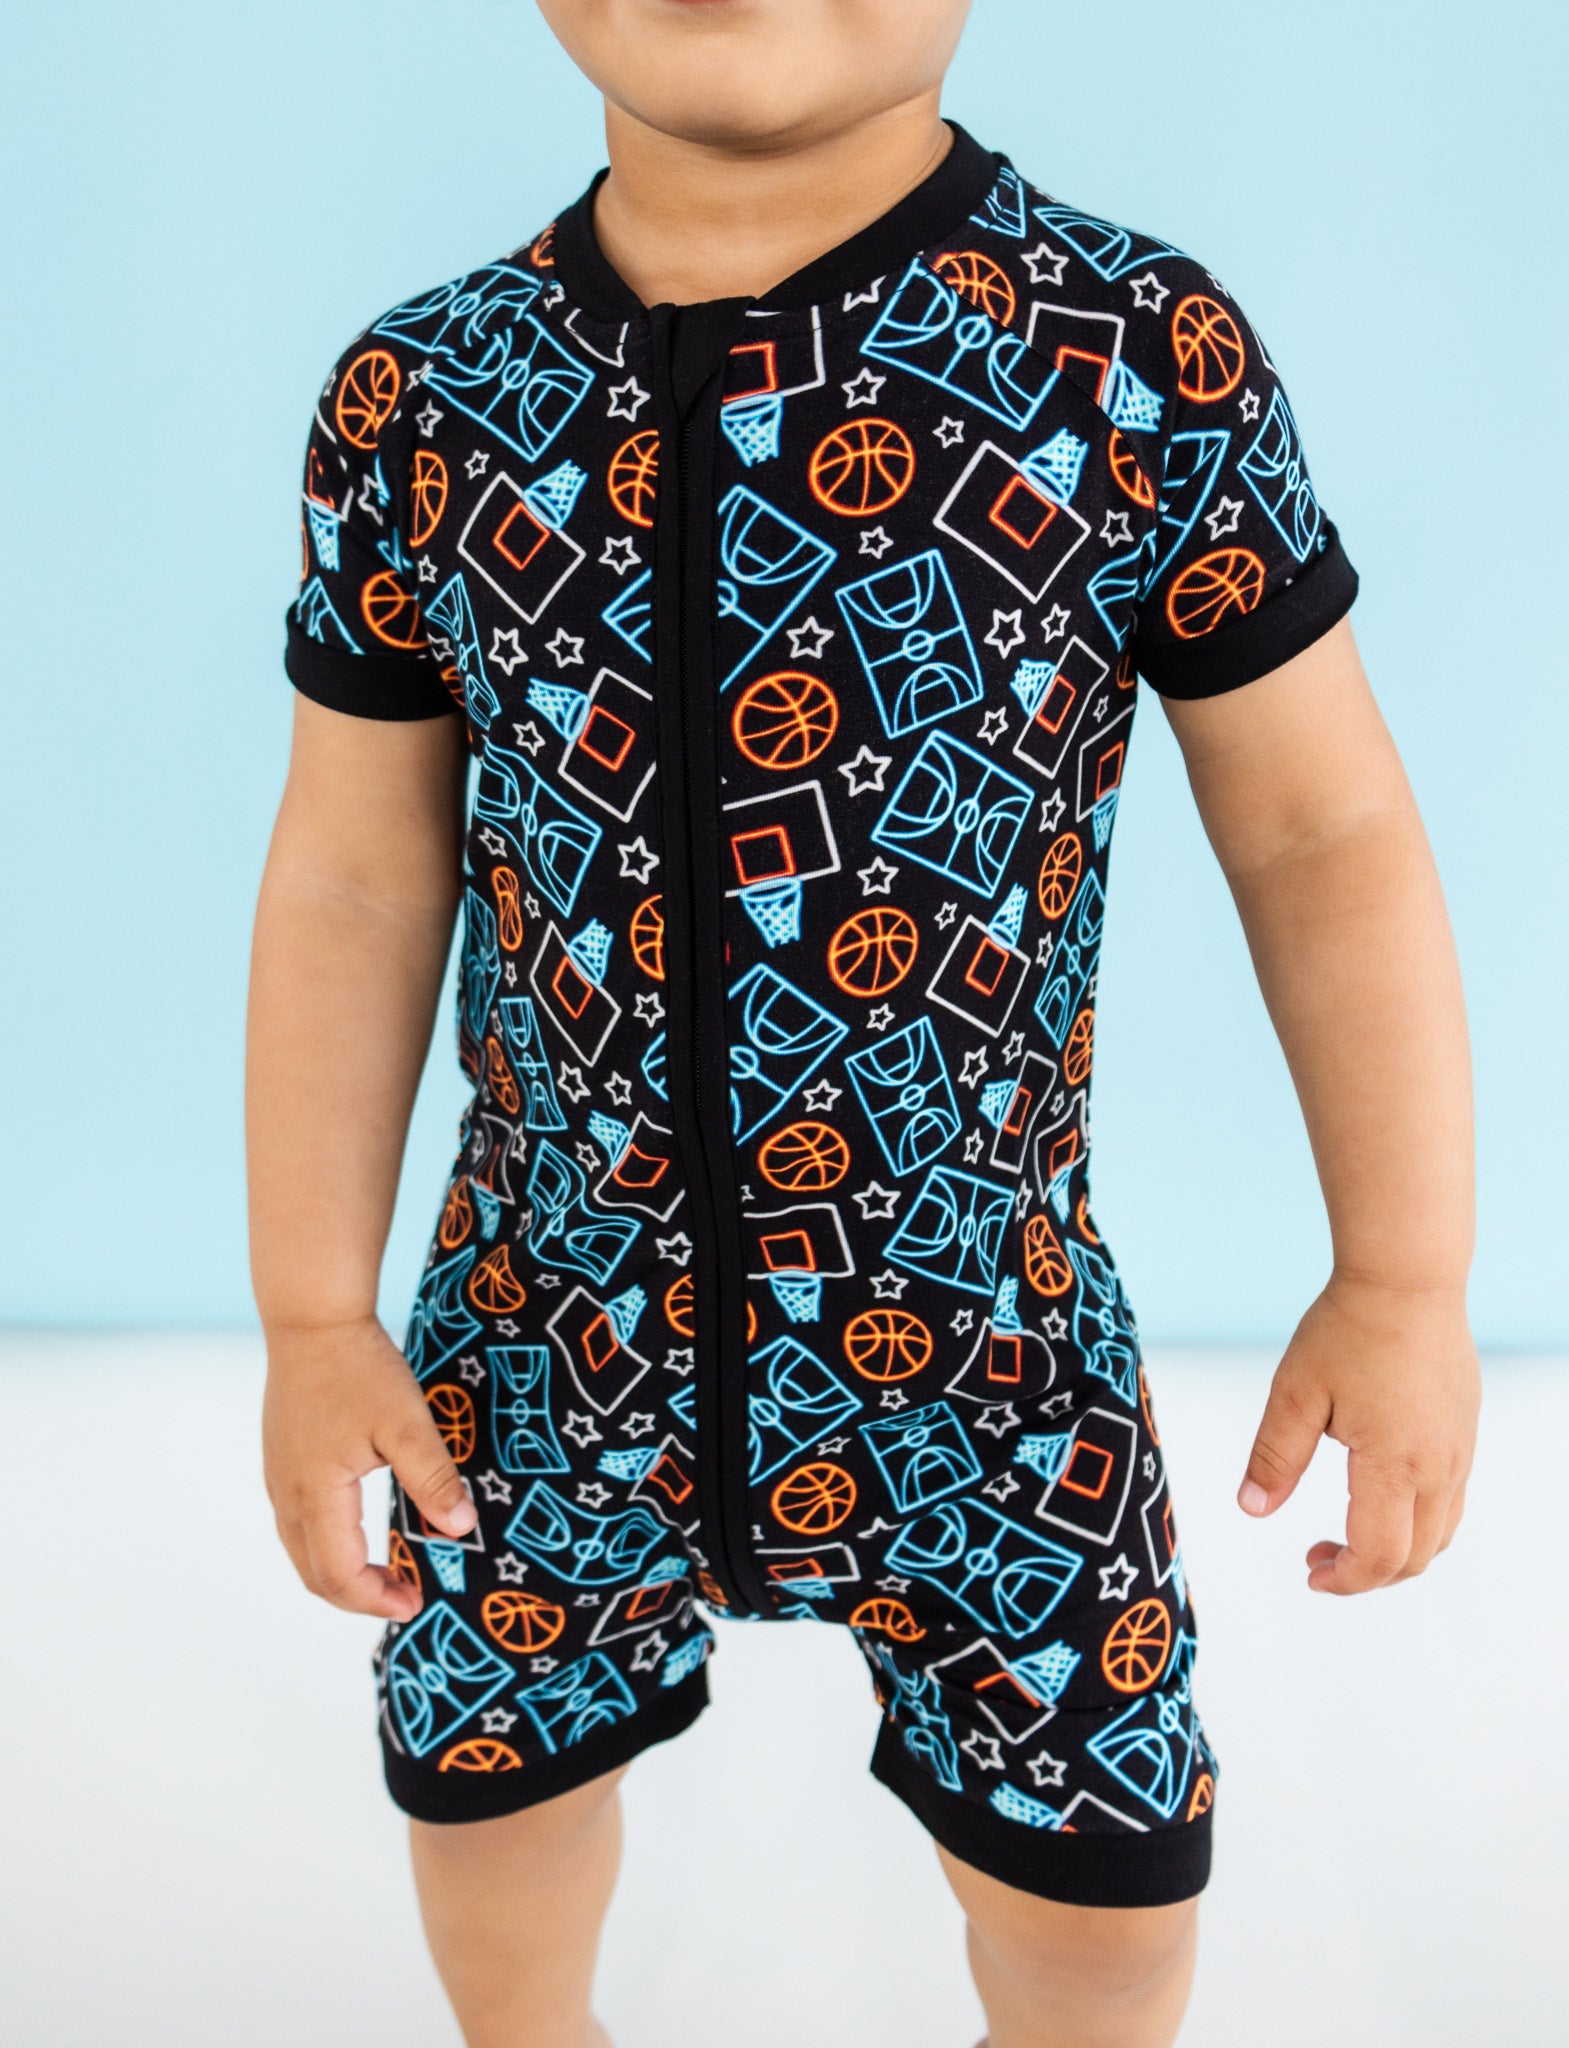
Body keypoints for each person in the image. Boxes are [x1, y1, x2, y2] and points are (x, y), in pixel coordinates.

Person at [245, 3, 1481, 2043]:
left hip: (984, 1350)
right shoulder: (423, 397)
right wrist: (310, 1315)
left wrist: (1402, 1273)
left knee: (1102, 1889)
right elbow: (354, 876)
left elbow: (1318, 826)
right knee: (485, 1789)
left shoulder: (1128, 356)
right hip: (545, 1337)